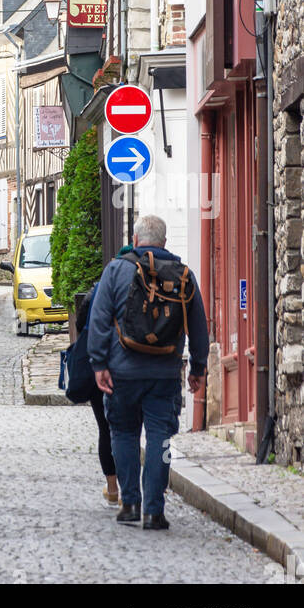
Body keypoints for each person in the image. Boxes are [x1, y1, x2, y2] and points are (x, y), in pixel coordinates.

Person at [87, 214, 208, 531]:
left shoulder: (116, 270)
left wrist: (99, 364)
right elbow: (198, 328)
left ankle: (129, 504)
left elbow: (99, 320)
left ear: (137, 241)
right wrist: (198, 368)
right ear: (165, 243)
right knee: (160, 439)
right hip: (164, 375)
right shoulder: (184, 275)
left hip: (121, 372)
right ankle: (154, 511)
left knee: (124, 435)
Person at [74, 286, 118, 507]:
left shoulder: (96, 291)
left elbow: (80, 325)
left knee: (105, 428)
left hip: (99, 367)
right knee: (128, 430)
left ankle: (112, 488)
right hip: (128, 366)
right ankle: (133, 489)